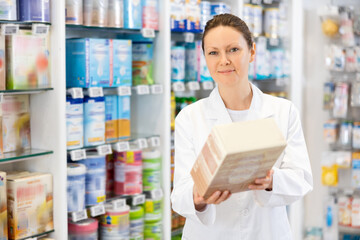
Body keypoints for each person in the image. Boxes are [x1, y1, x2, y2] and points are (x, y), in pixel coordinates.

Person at [170, 13, 313, 240]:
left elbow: (302, 180)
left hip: (266, 233)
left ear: (252, 52)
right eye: (213, 52)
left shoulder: (283, 111)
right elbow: (179, 195)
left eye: (233, 50)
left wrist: (271, 181)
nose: (224, 60)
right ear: (205, 59)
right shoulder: (190, 117)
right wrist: (198, 197)